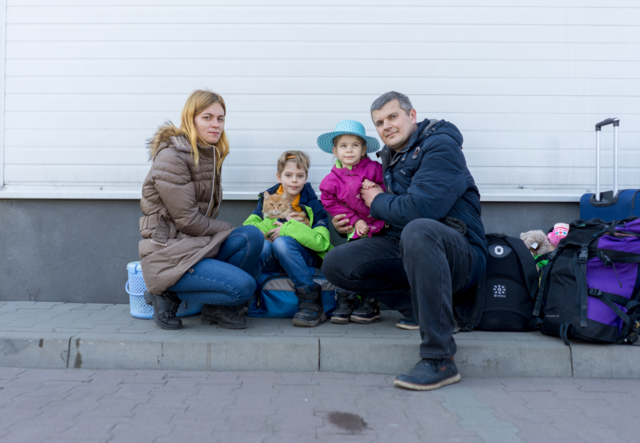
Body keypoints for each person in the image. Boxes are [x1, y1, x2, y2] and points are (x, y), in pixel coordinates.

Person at [322, 91, 488, 391]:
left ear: (412, 116)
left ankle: (439, 359)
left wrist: (376, 200)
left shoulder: (440, 146)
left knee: (419, 228)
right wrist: (347, 221)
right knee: (337, 263)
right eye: (379, 123)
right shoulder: (389, 157)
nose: (386, 126)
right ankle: (417, 308)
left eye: (392, 117)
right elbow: (386, 214)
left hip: (459, 253)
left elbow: (420, 210)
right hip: (408, 245)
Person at [139, 90, 264, 331]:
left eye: (220, 118)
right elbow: (188, 221)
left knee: (252, 237)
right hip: (170, 252)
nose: (216, 124)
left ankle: (215, 309)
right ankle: (166, 293)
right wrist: (227, 230)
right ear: (191, 118)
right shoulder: (172, 158)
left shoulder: (208, 154)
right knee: (244, 287)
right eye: (207, 117)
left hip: (194, 245)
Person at [243, 151, 333, 327]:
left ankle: (311, 302)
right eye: (289, 175)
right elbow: (250, 226)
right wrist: (259, 232)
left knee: (282, 242)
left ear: (306, 178)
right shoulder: (266, 198)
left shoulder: (314, 205)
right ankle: (243, 298)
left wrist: (288, 228)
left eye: (300, 176)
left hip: (303, 256)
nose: (294, 180)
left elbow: (321, 242)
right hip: (272, 258)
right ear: (279, 177)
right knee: (263, 247)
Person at [317, 120, 386, 325]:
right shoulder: (331, 180)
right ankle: (344, 302)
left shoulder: (374, 169)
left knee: (372, 266)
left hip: (379, 228)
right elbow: (331, 203)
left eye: (355, 145)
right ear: (335, 151)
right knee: (349, 265)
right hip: (355, 230)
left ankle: (369, 303)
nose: (349, 150)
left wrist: (378, 187)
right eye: (343, 146)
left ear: (364, 149)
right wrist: (354, 220)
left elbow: (389, 187)